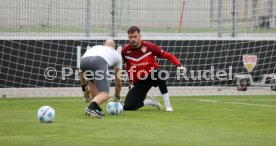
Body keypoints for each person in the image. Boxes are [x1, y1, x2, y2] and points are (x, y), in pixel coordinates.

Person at [121, 26, 189, 112]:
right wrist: (131, 81)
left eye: (135, 36)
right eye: (131, 37)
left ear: (140, 36)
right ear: (128, 37)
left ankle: (168, 104)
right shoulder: (125, 51)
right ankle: (150, 102)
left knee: (160, 73)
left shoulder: (149, 47)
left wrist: (179, 65)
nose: (133, 39)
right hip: (140, 80)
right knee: (128, 106)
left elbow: (168, 55)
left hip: (152, 75)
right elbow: (128, 66)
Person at [79, 39, 122, 119]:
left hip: (83, 62)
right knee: (104, 94)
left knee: (93, 82)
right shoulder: (116, 54)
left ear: (104, 45)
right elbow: (118, 81)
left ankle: (96, 107)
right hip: (99, 61)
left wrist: (84, 88)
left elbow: (80, 70)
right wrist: (117, 96)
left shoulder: (95, 47)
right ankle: (91, 108)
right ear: (114, 47)